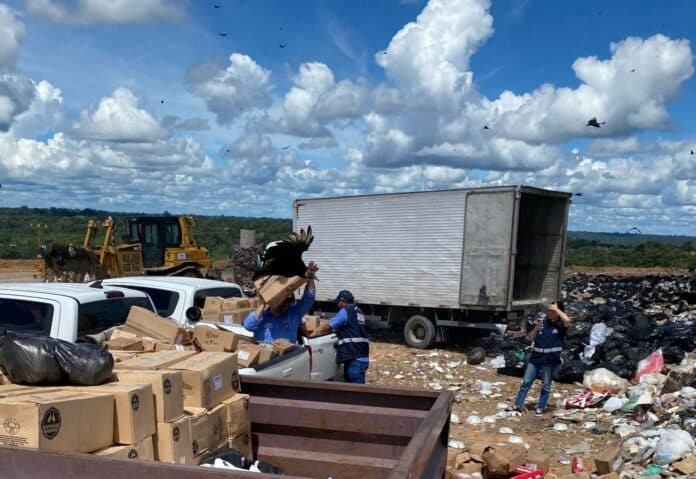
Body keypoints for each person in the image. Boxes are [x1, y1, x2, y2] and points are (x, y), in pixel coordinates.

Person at [509, 302, 571, 415]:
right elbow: (532, 338)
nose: (550, 312)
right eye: (549, 310)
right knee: (526, 382)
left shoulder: (560, 325)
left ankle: (541, 406)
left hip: (550, 359)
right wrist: (536, 329)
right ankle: (517, 404)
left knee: (546, 384)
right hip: (536, 358)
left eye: (553, 311)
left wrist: (557, 310)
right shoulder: (543, 323)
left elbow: (567, 321)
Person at [243, 262, 318, 343]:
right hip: (268, 354)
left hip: (288, 354)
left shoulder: (294, 314)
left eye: (287, 301)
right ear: (272, 300)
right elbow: (248, 326)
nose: (285, 304)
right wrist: (262, 303)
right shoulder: (263, 317)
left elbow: (309, 298)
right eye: (282, 301)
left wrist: (310, 276)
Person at [313, 290, 369, 384]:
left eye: (338, 303)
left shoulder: (346, 311)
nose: (337, 305)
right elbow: (351, 329)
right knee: (354, 389)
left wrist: (312, 336)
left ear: (343, 302)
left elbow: (327, 326)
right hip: (361, 355)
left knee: (356, 393)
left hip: (354, 358)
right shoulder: (358, 311)